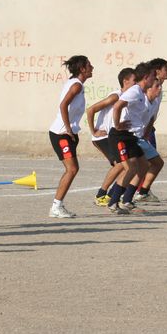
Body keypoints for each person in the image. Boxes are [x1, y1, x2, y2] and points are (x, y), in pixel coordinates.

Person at [106, 62, 156, 214]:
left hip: (131, 136)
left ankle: (127, 200)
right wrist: (117, 125)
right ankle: (113, 201)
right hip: (121, 136)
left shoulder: (141, 93)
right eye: (153, 76)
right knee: (131, 168)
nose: (155, 79)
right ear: (146, 77)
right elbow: (117, 106)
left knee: (144, 165)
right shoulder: (134, 91)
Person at [48, 55, 93, 218]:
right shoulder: (76, 85)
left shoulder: (76, 84)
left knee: (73, 169)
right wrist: (67, 129)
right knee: (72, 169)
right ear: (82, 69)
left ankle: (57, 206)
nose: (92, 68)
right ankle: (56, 207)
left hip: (69, 133)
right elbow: (63, 105)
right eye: (89, 65)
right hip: (61, 134)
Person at [87, 67, 135, 207]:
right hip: (103, 137)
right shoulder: (116, 96)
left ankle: (111, 195)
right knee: (121, 164)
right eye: (134, 80)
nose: (137, 83)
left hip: (115, 136)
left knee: (128, 164)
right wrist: (94, 131)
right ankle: (101, 195)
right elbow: (91, 110)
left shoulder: (129, 97)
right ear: (125, 81)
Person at [133, 58, 167, 203]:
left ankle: (143, 190)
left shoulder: (158, 87)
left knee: (152, 161)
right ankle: (134, 191)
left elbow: (153, 112)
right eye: (166, 69)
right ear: (157, 71)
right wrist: (144, 131)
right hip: (140, 130)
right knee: (145, 161)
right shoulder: (150, 87)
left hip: (148, 128)